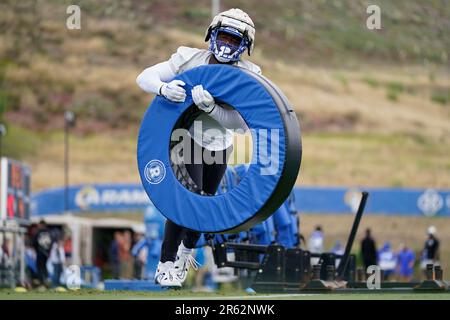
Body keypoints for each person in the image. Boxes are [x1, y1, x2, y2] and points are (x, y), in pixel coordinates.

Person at [136, 8, 260, 288]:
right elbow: (143, 77)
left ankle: (185, 252)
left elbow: (240, 125)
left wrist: (212, 109)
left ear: (246, 45)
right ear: (211, 34)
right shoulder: (189, 57)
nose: (227, 44)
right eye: (224, 36)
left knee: (204, 204)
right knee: (186, 198)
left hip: (221, 143)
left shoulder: (250, 74)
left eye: (233, 40)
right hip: (186, 136)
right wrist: (162, 89)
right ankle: (165, 263)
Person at [32, 220, 53, 287]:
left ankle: (42, 282)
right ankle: (47, 280)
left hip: (40, 252)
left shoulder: (39, 232)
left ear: (41, 225)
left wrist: (36, 250)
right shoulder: (49, 233)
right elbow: (51, 243)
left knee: (40, 267)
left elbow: (34, 242)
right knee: (44, 266)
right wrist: (49, 252)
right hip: (46, 253)